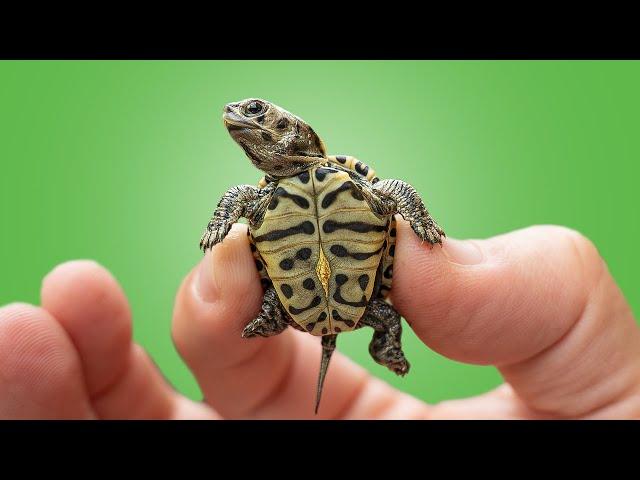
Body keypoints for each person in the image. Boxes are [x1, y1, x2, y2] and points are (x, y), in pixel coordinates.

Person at [0, 220, 638, 419]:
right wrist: (221, 224)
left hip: (342, 294)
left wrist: (423, 229)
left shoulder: (345, 179)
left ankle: (383, 340)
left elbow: (393, 196)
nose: (243, 124)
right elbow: (238, 209)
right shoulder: (257, 198)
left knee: (246, 311)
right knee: (242, 311)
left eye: (256, 117)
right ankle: (278, 322)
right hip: (310, 300)